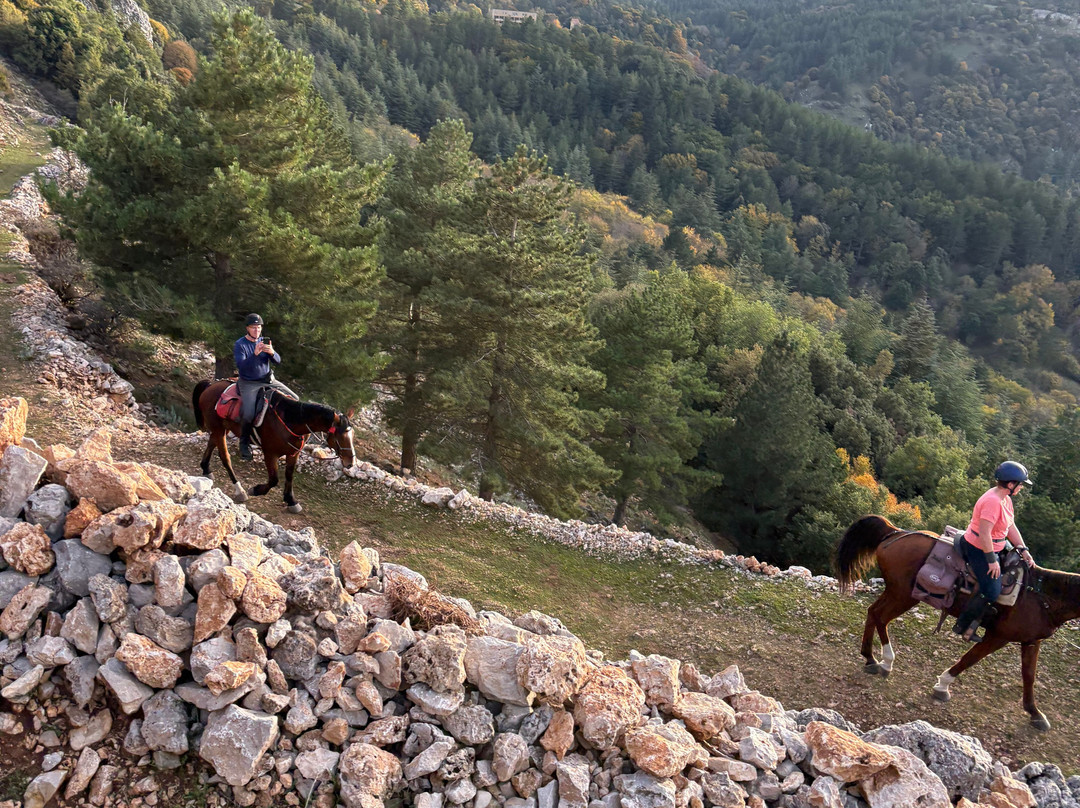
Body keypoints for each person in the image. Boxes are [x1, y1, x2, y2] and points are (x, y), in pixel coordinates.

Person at [953, 460, 1036, 641]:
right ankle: (962, 625)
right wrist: (992, 560)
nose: (1021, 488)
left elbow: (1010, 526)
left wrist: (1023, 549)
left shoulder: (1005, 499)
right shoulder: (993, 502)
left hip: (996, 544)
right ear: (1011, 484)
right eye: (1020, 484)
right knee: (991, 590)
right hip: (979, 547)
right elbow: (984, 534)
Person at [233, 313, 298, 460]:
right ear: (247, 329)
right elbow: (242, 367)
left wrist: (272, 353)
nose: (257, 331)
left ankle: (286, 435)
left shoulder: (264, 341)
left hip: (268, 380)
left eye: (259, 327)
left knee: (294, 398)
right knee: (249, 413)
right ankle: (244, 443)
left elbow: (278, 361)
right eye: (253, 328)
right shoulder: (240, 344)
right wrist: (254, 354)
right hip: (249, 382)